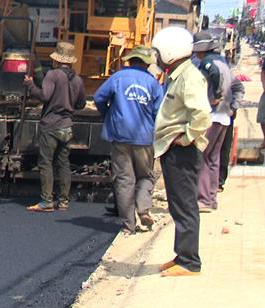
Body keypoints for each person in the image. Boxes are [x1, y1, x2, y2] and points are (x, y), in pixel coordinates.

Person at [151, 27, 211, 276]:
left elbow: (202, 114)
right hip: (172, 149)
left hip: (182, 152)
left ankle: (189, 262)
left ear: (169, 51)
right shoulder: (178, 75)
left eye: (158, 52)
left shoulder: (189, 77)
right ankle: (181, 255)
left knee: (185, 205)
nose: (156, 57)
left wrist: (186, 138)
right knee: (177, 205)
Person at [93, 46, 163, 233]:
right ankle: (144, 209)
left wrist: (108, 115)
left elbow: (99, 97)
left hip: (119, 136)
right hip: (144, 138)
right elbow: (159, 112)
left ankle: (128, 226)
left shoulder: (117, 78)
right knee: (146, 176)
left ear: (130, 61)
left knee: (124, 180)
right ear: (147, 64)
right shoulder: (152, 83)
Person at [24, 41, 86, 212]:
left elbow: (44, 96)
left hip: (51, 125)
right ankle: (64, 201)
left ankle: (46, 201)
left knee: (46, 162)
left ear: (57, 59)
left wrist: (30, 85)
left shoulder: (53, 74)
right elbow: (81, 104)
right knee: (64, 163)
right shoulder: (78, 80)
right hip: (67, 127)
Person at [192, 32, 234, 212]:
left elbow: (214, 75)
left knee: (201, 157)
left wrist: (214, 96)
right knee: (213, 159)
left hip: (213, 115)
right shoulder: (223, 62)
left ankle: (203, 200)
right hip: (224, 116)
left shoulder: (208, 63)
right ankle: (211, 197)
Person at [218, 77, 245, 191]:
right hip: (204, 116)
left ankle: (219, 181)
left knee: (223, 148)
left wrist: (233, 107)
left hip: (223, 115)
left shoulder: (223, 70)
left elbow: (238, 88)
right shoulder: (196, 66)